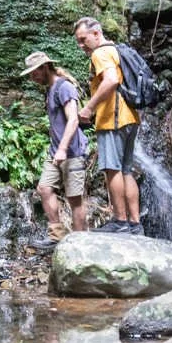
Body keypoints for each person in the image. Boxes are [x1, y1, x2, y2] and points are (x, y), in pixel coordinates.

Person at [73, 17, 142, 235]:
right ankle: (135, 223)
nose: (81, 45)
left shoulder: (100, 52)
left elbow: (111, 80)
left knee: (112, 169)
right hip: (130, 117)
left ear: (96, 33)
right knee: (126, 170)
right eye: (78, 41)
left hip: (113, 118)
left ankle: (120, 221)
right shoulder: (116, 49)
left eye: (83, 39)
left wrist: (88, 108)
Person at [22, 51, 88, 242]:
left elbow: (74, 120)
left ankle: (79, 242)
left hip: (72, 151)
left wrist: (62, 149)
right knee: (44, 188)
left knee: (75, 199)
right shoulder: (50, 89)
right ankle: (56, 237)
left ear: (44, 68)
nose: (32, 78)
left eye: (34, 73)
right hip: (56, 151)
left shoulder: (64, 87)